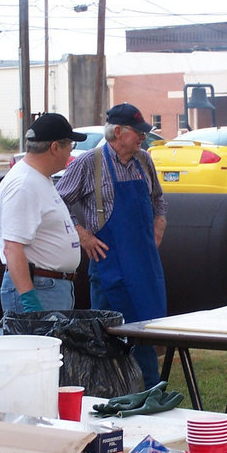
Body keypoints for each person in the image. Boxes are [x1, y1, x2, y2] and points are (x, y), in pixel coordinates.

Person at [57, 103, 167, 389]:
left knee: (146, 332)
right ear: (118, 132)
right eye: (138, 132)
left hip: (144, 267)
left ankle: (150, 392)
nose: (143, 137)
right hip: (108, 267)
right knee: (106, 336)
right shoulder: (88, 163)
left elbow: (158, 199)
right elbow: (57, 202)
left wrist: (160, 222)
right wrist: (82, 235)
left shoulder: (145, 161)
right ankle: (109, 393)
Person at [0, 113, 87, 314]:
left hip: (49, 286)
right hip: (40, 287)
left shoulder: (38, 178)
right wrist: (29, 303)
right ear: (54, 148)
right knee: (35, 346)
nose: (71, 153)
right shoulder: (24, 185)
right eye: (69, 146)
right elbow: (13, 248)